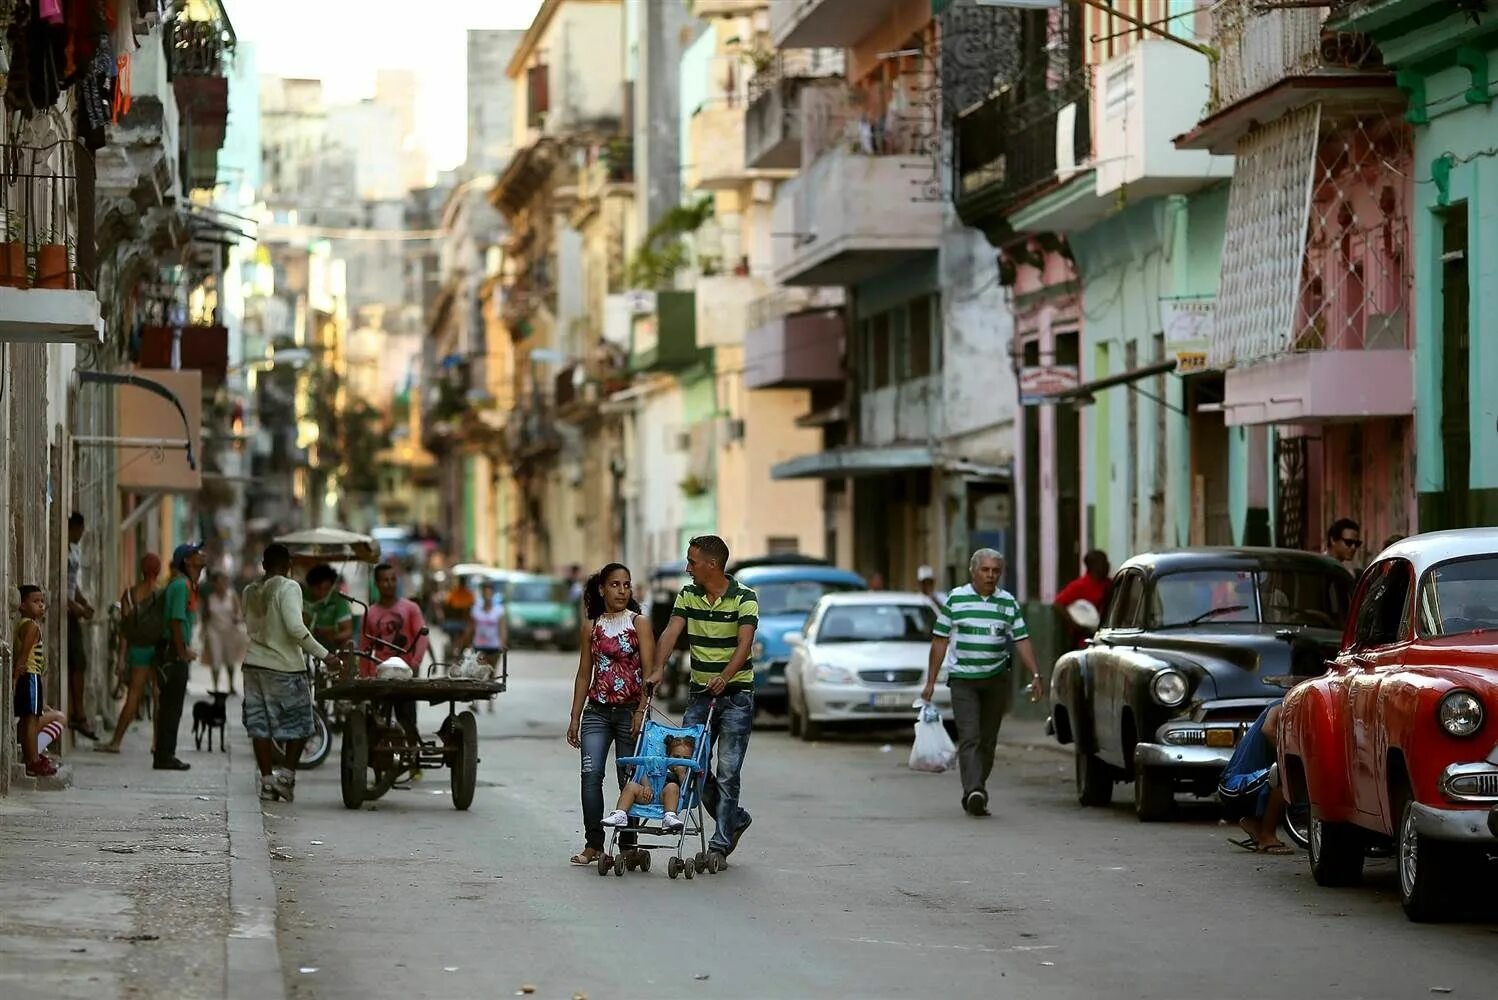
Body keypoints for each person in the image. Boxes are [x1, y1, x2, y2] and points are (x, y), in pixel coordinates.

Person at [649, 535, 757, 869]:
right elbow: (670, 632)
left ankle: (719, 845)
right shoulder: (688, 594)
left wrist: (725, 675)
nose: (688, 568)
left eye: (692, 562)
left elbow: (744, 644)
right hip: (699, 695)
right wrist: (657, 669)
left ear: (711, 565)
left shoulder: (745, 598)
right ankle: (734, 818)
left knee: (727, 773)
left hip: (736, 696)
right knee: (688, 766)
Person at [922, 548, 1043, 817]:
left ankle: (978, 786)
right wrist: (931, 682)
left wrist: (1035, 674)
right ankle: (973, 791)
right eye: (985, 570)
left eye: (995, 571)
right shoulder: (956, 599)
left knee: (988, 740)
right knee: (970, 737)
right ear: (973, 571)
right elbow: (940, 641)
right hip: (963, 680)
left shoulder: (1007, 603)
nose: (990, 576)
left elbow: (1021, 639)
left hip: (995, 681)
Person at [567, 563, 655, 867]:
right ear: (602, 589)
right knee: (590, 776)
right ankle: (594, 844)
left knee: (628, 779)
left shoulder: (639, 624)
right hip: (597, 713)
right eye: (615, 584)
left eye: (626, 585)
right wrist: (575, 717)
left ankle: (628, 845)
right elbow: (583, 674)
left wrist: (641, 711)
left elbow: (650, 672)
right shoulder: (591, 627)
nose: (621, 590)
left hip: (630, 712)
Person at [242, 544, 341, 803]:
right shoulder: (289, 587)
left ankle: (266, 783)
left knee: (259, 726)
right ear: (289, 564)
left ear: (264, 565)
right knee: (301, 725)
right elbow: (296, 629)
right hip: (283, 667)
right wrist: (326, 655)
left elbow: (250, 625)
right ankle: (286, 777)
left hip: (253, 665)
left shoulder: (250, 591)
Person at [362, 563, 429, 777]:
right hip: (380, 676)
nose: (389, 584)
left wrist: (415, 663)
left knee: (407, 719)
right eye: (384, 580)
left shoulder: (411, 608)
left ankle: (414, 763)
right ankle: (378, 769)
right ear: (377, 583)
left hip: (405, 675)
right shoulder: (370, 613)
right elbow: (365, 646)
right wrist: (366, 674)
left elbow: (422, 636)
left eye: (393, 579)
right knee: (376, 722)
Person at [98, 554, 164, 754]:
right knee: (158, 696)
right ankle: (157, 744)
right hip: (157, 650)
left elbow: (124, 630)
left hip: (138, 651)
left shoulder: (129, 594)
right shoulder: (162, 594)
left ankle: (116, 742)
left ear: (141, 570)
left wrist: (120, 658)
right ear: (158, 570)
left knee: (133, 696)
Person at [155, 544, 204, 771]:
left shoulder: (185, 584)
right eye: (196, 554)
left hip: (175, 650)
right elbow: (175, 621)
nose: (201, 556)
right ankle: (165, 755)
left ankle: (166, 753)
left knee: (171, 706)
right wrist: (181, 652)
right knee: (171, 707)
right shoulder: (181, 585)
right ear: (187, 561)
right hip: (172, 654)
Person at [1220, 702, 1292, 855]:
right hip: (1234, 784)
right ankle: (1267, 836)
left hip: (1252, 782)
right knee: (1284, 773)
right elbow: (1268, 730)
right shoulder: (1282, 704)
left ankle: (1254, 823)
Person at [602, 734, 696, 834]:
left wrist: (681, 774)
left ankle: (669, 816)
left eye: (686, 759)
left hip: (666, 799)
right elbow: (645, 775)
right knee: (631, 785)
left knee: (672, 787)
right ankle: (620, 814)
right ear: (668, 756)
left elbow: (685, 791)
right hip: (648, 794)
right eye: (676, 757)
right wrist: (647, 786)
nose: (680, 761)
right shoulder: (660, 764)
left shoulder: (686, 772)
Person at [13, 585, 58, 777]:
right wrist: (16, 676)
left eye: (42, 601)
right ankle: (33, 760)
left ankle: (30, 756)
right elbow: (24, 656)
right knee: (32, 719)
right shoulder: (31, 626)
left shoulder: (24, 624)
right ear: (22, 605)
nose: (41, 605)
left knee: (27, 719)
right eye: (35, 601)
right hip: (31, 676)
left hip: (30, 676)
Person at [66, 512, 100, 741]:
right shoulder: (63, 550)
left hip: (73, 612)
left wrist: (83, 602)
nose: (81, 535)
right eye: (79, 530)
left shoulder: (74, 551)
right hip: (67, 614)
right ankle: (78, 713)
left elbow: (71, 585)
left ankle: (79, 712)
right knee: (78, 661)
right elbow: (58, 581)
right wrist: (75, 608)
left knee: (80, 663)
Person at [460, 579, 507, 713]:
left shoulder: (499, 610)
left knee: (492, 675)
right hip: (479, 645)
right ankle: (475, 702)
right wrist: (465, 643)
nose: (487, 594)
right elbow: (471, 627)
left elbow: (502, 628)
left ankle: (490, 703)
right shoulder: (476, 609)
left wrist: (503, 643)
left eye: (489, 591)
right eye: (485, 591)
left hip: (494, 646)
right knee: (478, 674)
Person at [1054, 550, 1110, 649]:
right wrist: (1075, 624)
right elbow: (1058, 604)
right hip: (1084, 640)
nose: (1108, 565)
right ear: (1093, 566)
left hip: (1105, 635)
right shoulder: (1080, 585)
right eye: (1104, 562)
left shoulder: (1109, 584)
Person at [202, 572, 246, 695]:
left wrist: (237, 619)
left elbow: (239, 613)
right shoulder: (210, 598)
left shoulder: (231, 596)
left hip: (230, 631)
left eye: (224, 582)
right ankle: (215, 686)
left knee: (230, 659)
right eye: (219, 582)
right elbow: (205, 615)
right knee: (215, 658)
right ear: (214, 584)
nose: (222, 585)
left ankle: (231, 685)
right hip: (214, 631)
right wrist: (203, 631)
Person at [305, 564, 354, 650]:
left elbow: (348, 631)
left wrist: (330, 637)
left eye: (327, 588)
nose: (322, 592)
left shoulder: (339, 600)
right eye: (318, 588)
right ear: (310, 586)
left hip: (331, 645)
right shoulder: (303, 598)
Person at [441, 575, 475, 654]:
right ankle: (456, 647)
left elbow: (447, 606)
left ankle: (457, 646)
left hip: (459, 621)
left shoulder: (455, 593)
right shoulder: (466, 594)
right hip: (459, 621)